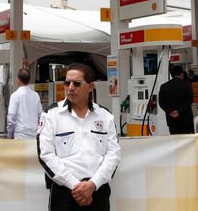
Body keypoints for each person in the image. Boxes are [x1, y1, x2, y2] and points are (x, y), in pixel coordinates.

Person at [38, 63, 120, 210]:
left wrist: (92, 184)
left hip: (97, 191)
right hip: (64, 193)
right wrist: (76, 187)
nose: (70, 87)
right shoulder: (51, 115)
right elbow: (46, 155)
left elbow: (113, 154)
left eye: (76, 83)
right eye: (67, 83)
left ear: (90, 87)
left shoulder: (105, 116)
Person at [157, 65, 195, 135]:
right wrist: (179, 111)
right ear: (181, 74)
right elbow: (190, 100)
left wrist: (170, 111)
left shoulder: (164, 86)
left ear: (171, 74)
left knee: (175, 141)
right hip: (185, 120)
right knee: (186, 142)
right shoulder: (187, 84)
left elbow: (161, 102)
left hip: (172, 120)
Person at [7, 68, 42, 139]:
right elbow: (40, 116)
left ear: (18, 80)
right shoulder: (36, 95)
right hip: (33, 135)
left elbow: (11, 119)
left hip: (20, 135)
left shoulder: (15, 95)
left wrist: (10, 134)